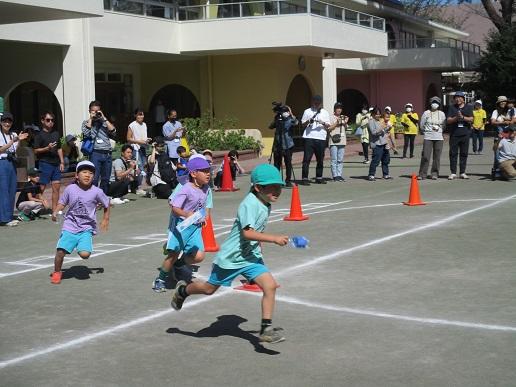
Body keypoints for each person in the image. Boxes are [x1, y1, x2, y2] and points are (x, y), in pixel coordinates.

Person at [170, 164, 289, 344]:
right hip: (231, 259)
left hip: (249, 258)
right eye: (271, 187)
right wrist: (273, 238)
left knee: (270, 286)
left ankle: (266, 329)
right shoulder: (249, 204)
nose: (277, 190)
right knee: (209, 289)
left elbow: (255, 232)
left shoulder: (265, 203)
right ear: (258, 188)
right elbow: (247, 233)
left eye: (278, 186)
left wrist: (259, 249)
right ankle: (183, 290)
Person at [152, 157, 211, 292]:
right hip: (180, 226)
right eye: (204, 171)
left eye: (209, 171)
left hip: (195, 227)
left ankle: (178, 264)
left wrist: (202, 216)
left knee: (199, 256)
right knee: (173, 254)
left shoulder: (206, 188)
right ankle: (160, 279)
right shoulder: (186, 189)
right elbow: (174, 207)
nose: (208, 173)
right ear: (194, 173)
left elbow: (201, 205)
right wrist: (186, 214)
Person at [50, 160, 110, 284]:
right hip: (70, 226)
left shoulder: (97, 191)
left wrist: (105, 219)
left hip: (86, 228)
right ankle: (57, 272)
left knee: (85, 254)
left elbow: (107, 203)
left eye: (90, 173)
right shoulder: (70, 189)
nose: (87, 175)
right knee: (60, 251)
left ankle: (80, 243)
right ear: (77, 175)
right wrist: (55, 211)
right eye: (84, 172)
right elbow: (62, 203)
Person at [81, 100, 117, 194]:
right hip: (95, 153)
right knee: (94, 178)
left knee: (105, 179)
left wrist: (104, 118)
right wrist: (91, 119)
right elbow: (86, 133)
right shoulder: (86, 122)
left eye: (97, 111)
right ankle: (93, 199)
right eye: (93, 111)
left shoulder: (104, 122)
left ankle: (102, 198)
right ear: (89, 111)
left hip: (107, 153)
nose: (95, 113)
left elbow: (113, 131)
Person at [0, 112, 29, 227]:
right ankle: (4, 218)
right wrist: (13, 140)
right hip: (2, 163)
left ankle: (9, 216)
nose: (7, 123)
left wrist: (19, 141)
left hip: (12, 162)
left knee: (12, 189)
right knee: (3, 190)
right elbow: (1, 150)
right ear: (1, 122)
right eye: (4, 121)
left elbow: (15, 150)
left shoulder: (13, 134)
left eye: (9, 121)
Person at [33, 111, 64, 213]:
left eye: (52, 120)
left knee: (56, 188)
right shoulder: (39, 135)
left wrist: (62, 162)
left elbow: (59, 148)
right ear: (42, 121)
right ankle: (36, 208)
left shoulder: (56, 133)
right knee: (41, 188)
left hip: (56, 164)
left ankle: (54, 210)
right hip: (45, 163)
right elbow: (35, 150)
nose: (50, 122)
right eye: (48, 120)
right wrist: (47, 148)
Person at [300, 95, 330, 185]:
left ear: (321, 103)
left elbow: (328, 125)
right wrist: (309, 121)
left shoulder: (325, 112)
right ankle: (305, 178)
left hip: (321, 138)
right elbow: (303, 124)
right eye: (315, 102)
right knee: (307, 159)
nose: (316, 104)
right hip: (309, 137)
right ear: (313, 102)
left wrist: (323, 122)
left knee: (320, 159)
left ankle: (319, 177)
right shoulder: (307, 111)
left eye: (318, 102)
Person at [447, 91, 474, 180]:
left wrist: (462, 117)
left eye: (459, 97)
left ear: (463, 98)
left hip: (465, 133)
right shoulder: (452, 107)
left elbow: (471, 118)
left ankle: (462, 172)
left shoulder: (469, 107)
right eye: (456, 97)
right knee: (453, 153)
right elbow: (448, 120)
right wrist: (456, 118)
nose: (458, 99)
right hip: (454, 134)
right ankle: (453, 172)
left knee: (464, 153)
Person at [418, 96, 446, 180]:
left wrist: (439, 130)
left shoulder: (441, 114)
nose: (435, 104)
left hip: (439, 137)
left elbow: (444, 126)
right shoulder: (426, 113)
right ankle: (422, 173)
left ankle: (434, 173)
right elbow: (422, 125)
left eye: (437, 102)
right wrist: (426, 131)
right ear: (430, 103)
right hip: (428, 137)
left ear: (439, 104)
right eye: (433, 102)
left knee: (437, 157)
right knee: (425, 156)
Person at [269, 104, 297, 187]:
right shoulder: (277, 119)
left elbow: (296, 122)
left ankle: (288, 180)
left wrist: (291, 114)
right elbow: (270, 126)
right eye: (285, 111)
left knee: (288, 163)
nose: (286, 113)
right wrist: (277, 119)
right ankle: (277, 181)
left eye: (287, 111)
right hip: (278, 145)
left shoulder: (290, 119)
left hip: (288, 145)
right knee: (277, 164)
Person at [127, 108, 152, 195]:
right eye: (139, 114)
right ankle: (137, 187)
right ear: (135, 115)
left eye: (142, 114)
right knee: (138, 167)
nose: (141, 116)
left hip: (143, 148)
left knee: (143, 166)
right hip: (135, 148)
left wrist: (146, 140)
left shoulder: (144, 124)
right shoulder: (132, 125)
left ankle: (138, 186)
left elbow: (143, 137)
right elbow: (128, 138)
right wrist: (138, 141)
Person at [367, 107, 391, 181]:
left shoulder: (380, 121)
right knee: (376, 160)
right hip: (377, 144)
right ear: (373, 114)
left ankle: (385, 174)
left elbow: (383, 131)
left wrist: (387, 128)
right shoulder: (371, 122)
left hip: (384, 143)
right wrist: (382, 129)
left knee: (386, 160)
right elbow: (374, 132)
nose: (378, 115)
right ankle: (371, 175)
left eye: (379, 114)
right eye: (376, 114)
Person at [328, 102, 348, 182]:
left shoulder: (343, 117)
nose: (339, 109)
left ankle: (339, 175)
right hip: (333, 141)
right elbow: (328, 128)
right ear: (335, 109)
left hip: (342, 140)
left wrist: (345, 122)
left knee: (340, 159)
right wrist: (337, 123)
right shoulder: (331, 117)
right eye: (337, 108)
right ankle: (335, 175)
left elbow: (346, 128)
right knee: (334, 159)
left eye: (340, 108)